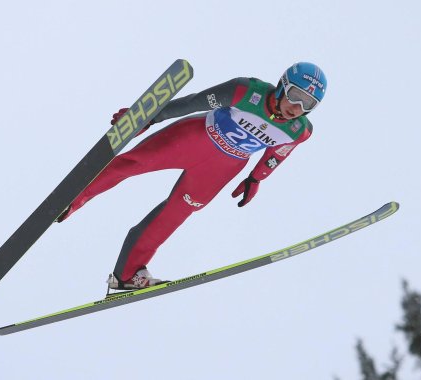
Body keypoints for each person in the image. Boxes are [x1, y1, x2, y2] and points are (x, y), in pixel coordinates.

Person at [57, 62, 327, 290]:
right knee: (133, 164)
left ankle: (127, 275)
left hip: (222, 168)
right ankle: (72, 198)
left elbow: (277, 154)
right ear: (282, 85)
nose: (296, 106)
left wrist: (256, 178)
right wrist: (149, 118)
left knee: (176, 214)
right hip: (195, 138)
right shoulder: (246, 90)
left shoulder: (298, 130)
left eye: (308, 103)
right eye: (294, 95)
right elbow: (192, 102)